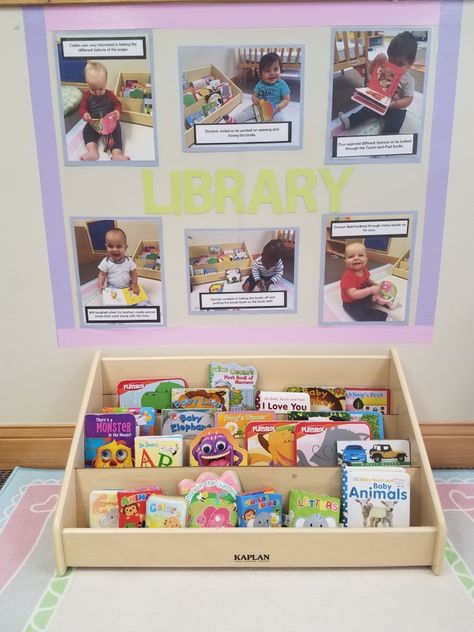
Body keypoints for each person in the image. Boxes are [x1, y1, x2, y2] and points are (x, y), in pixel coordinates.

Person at [338, 31, 418, 135]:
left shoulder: (409, 80)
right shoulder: (386, 67)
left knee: (395, 122)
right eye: (391, 61)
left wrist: (396, 104)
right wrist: (376, 62)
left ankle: (386, 138)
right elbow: (371, 72)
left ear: (411, 62)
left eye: (400, 64)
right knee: (367, 109)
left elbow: (408, 100)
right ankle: (350, 121)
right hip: (380, 102)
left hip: (396, 109)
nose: (394, 67)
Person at [79, 62, 130, 161]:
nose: (97, 92)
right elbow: (82, 108)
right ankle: (92, 151)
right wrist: (85, 114)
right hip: (94, 123)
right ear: (87, 84)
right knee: (86, 131)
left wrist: (117, 111)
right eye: (93, 89)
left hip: (109, 123)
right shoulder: (86, 96)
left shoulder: (109, 94)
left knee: (117, 130)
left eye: (101, 89)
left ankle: (116, 153)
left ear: (105, 83)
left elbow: (117, 104)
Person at [225, 52, 290, 124]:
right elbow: (254, 95)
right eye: (267, 71)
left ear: (280, 69)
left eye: (275, 69)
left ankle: (259, 123)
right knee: (248, 111)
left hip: (274, 109)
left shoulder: (282, 84)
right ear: (261, 74)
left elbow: (286, 99)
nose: (272, 73)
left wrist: (277, 107)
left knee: (280, 118)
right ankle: (234, 120)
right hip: (259, 107)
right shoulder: (260, 84)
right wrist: (255, 100)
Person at [340, 242, 388, 322]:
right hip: (351, 303)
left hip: (362, 295)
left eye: (360, 255)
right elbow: (353, 294)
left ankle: (377, 299)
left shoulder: (364, 270)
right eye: (351, 256)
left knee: (377, 290)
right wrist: (371, 289)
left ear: (366, 259)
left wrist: (373, 284)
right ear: (345, 261)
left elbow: (367, 280)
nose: (356, 258)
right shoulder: (348, 277)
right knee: (359, 315)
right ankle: (376, 314)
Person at [97, 228, 140, 296]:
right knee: (112, 302)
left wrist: (134, 283)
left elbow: (134, 273)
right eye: (110, 246)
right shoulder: (106, 261)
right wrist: (100, 285)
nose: (114, 249)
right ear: (106, 246)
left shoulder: (129, 260)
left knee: (138, 297)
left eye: (119, 246)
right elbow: (102, 274)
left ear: (125, 248)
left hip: (128, 286)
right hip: (112, 287)